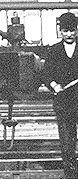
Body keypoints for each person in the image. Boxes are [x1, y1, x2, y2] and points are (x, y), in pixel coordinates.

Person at [43, 11, 78, 178]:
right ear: (60, 31)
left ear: (77, 30)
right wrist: (54, 85)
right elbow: (45, 74)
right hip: (63, 102)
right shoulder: (54, 51)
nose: (69, 34)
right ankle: (70, 172)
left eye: (72, 30)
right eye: (65, 30)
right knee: (66, 140)